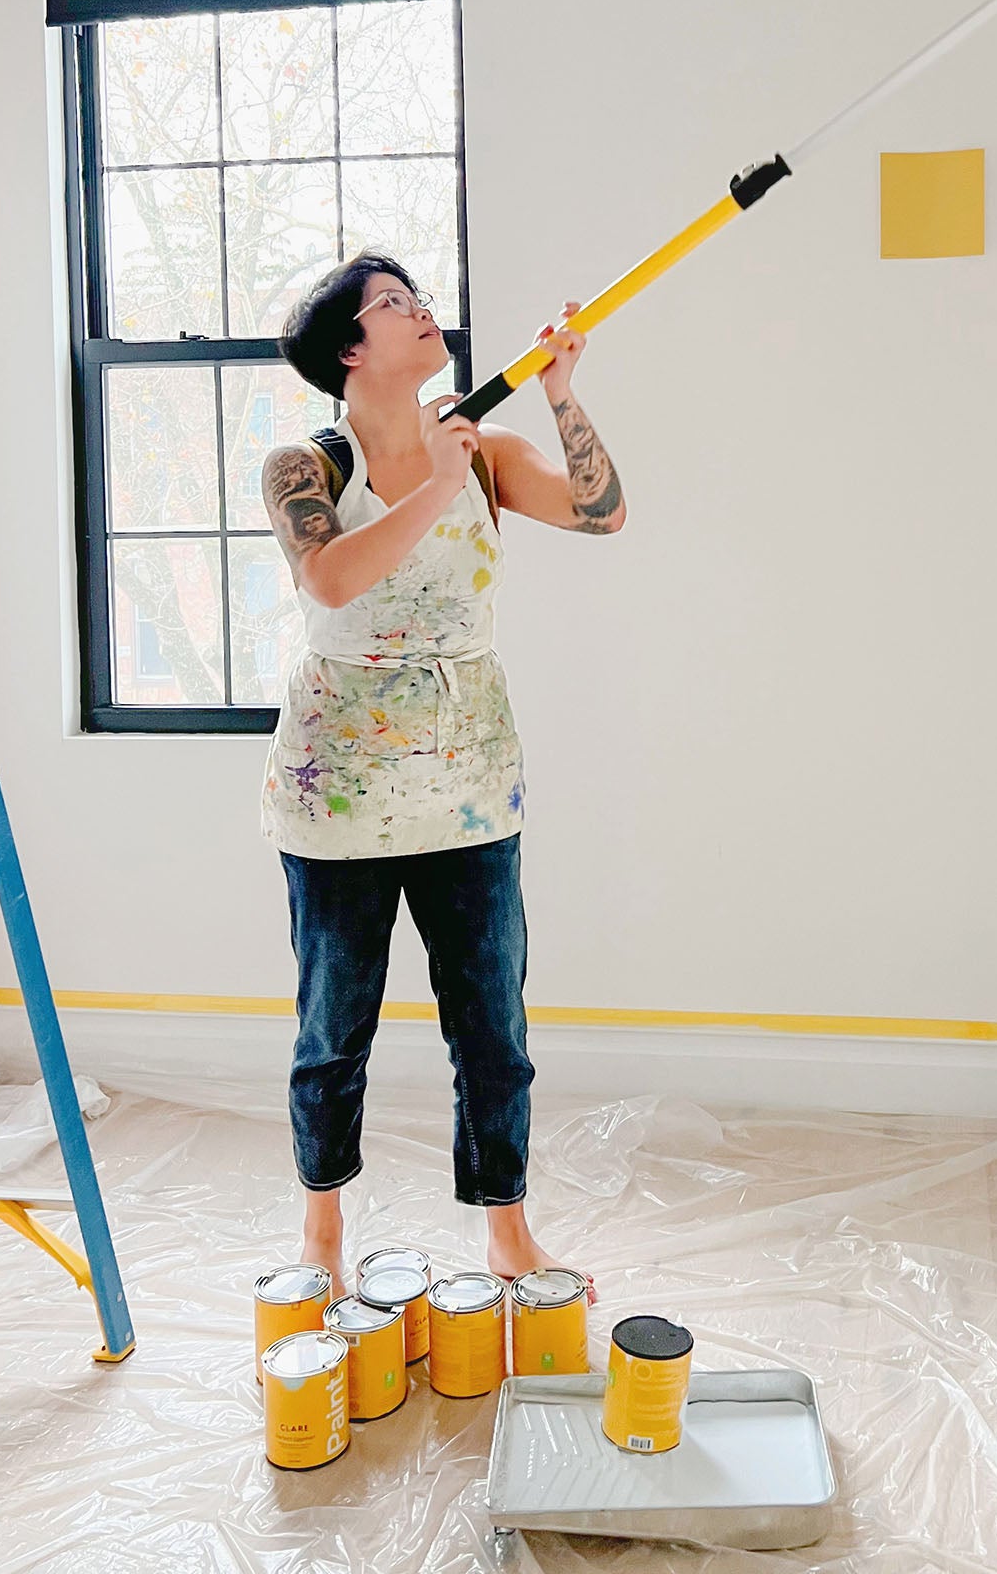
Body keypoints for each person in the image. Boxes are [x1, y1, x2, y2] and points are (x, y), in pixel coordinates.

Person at [259, 252, 625, 1295]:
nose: (422, 311)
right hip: (339, 792)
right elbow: (332, 575)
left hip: (469, 777)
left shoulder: (487, 444)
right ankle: (322, 1229)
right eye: (392, 304)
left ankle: (509, 1228)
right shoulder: (305, 465)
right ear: (347, 348)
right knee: (335, 1025)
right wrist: (442, 479)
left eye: (418, 296)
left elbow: (603, 514)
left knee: (491, 1023)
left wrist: (560, 395)